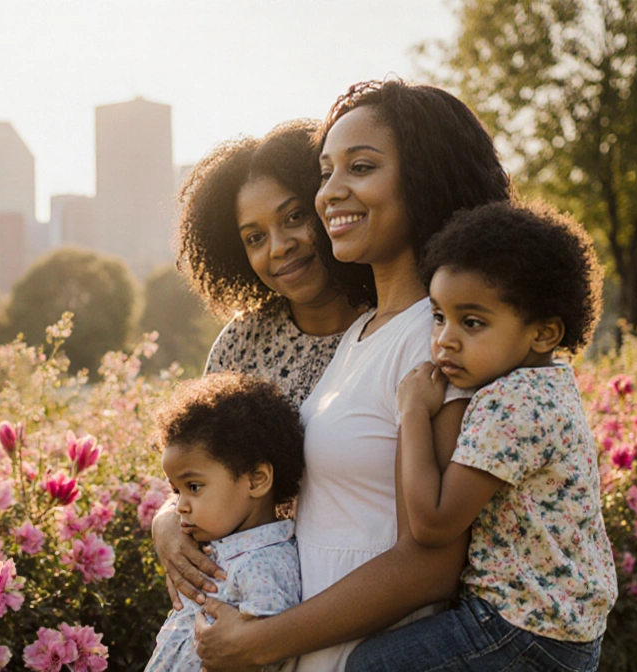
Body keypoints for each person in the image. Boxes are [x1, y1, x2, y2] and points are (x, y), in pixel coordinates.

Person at [194, 79, 512, 670]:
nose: (330, 194)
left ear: (425, 176)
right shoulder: (364, 334)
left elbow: (431, 564)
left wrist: (261, 641)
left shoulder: (437, 340)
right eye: (325, 172)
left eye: (359, 168)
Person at [346, 201, 616, 671]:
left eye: (471, 323)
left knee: (371, 665)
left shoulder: (510, 404)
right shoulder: (551, 385)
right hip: (562, 629)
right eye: (438, 316)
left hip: (522, 629)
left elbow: (432, 523)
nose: (445, 339)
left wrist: (410, 411)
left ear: (544, 332)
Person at [156, 120, 372, 614]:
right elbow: (198, 465)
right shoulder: (240, 343)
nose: (278, 247)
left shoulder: (388, 328)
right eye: (254, 237)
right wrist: (165, 520)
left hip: (352, 595)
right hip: (248, 598)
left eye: (294, 216)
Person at [145, 373, 306, 672]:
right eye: (175, 490)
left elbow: (259, 654)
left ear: (257, 480)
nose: (179, 506)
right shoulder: (219, 550)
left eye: (193, 487)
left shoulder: (263, 564)